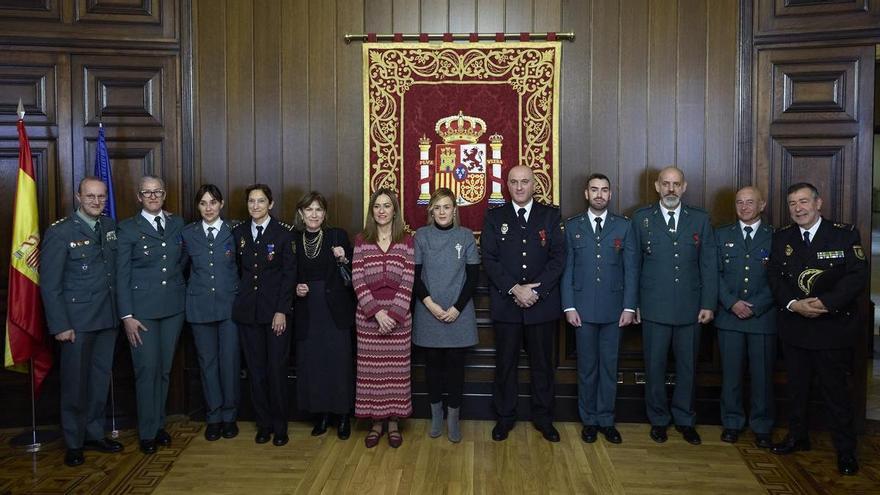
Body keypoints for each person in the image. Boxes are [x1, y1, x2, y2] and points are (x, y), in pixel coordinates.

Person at [766, 182, 867, 476]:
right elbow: (773, 275)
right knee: (796, 390)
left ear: (818, 203)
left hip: (831, 328)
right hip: (795, 326)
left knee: (836, 393)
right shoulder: (782, 237)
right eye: (793, 204)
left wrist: (825, 302)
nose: (798, 208)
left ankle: (845, 451)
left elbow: (856, 275)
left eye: (804, 202)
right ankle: (798, 437)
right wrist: (793, 304)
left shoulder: (843, 234)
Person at [631, 166, 717, 445]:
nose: (671, 189)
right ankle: (658, 419)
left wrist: (708, 303)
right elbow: (633, 265)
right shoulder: (642, 218)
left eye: (676, 184)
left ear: (684, 187)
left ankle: (685, 419)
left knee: (687, 368)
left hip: (691, 308)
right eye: (665, 184)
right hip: (654, 307)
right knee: (654, 368)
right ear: (657, 186)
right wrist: (634, 305)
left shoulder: (700, 219)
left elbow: (708, 265)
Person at [41, 177, 122, 467]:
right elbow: (50, 285)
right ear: (78, 197)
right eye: (90, 196)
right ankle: (74, 442)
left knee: (99, 381)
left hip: (107, 318)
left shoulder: (110, 227)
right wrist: (60, 325)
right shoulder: (61, 232)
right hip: (76, 322)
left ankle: (94, 433)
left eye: (101, 197)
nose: (97, 201)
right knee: (75, 384)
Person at [481, 165, 566, 443]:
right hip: (507, 305)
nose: (519, 187)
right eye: (514, 182)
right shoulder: (495, 217)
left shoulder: (550, 216)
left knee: (543, 366)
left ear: (534, 185)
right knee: (505, 364)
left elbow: (558, 258)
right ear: (507, 185)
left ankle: (544, 418)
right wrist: (515, 289)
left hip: (542, 306)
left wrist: (536, 292)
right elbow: (490, 259)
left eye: (525, 182)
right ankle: (504, 418)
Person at [560, 173, 637, 445]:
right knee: (587, 369)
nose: (599, 195)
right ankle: (589, 421)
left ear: (611, 194)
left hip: (615, 311)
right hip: (581, 310)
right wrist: (568, 305)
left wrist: (629, 306)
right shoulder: (572, 226)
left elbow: (631, 270)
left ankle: (606, 420)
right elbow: (566, 270)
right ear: (586, 193)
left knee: (609, 368)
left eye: (604, 190)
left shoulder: (623, 227)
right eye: (594, 190)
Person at [116, 175, 186, 454]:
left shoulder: (177, 223)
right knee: (147, 371)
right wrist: (126, 316)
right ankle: (147, 432)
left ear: (165, 194)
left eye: (158, 192)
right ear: (139, 197)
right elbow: (121, 276)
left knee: (165, 370)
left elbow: (182, 259)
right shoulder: (128, 229)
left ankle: (159, 426)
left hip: (173, 308)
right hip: (141, 312)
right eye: (147, 193)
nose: (153, 197)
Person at [413, 187, 480, 443]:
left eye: (447, 207)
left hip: (458, 314)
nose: (442, 212)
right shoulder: (421, 236)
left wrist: (456, 308)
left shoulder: (465, 236)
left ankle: (453, 418)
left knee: (455, 369)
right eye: (437, 207)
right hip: (428, 311)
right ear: (431, 210)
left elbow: (473, 278)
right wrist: (430, 305)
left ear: (455, 210)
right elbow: (416, 276)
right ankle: (436, 416)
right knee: (432, 369)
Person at [232, 184, 296, 447]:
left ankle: (280, 426)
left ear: (270, 204)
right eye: (251, 201)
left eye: (261, 201)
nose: (255, 206)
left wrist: (281, 310)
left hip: (275, 315)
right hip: (249, 314)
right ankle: (264, 424)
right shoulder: (239, 233)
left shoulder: (284, 234)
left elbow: (289, 275)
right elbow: (238, 271)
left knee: (276, 371)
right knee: (256, 372)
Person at [352, 188, 415, 448]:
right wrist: (377, 313)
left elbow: (408, 280)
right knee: (373, 375)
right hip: (369, 318)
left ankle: (393, 422)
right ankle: (375, 423)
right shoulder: (361, 240)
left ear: (394, 210)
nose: (381, 210)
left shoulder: (407, 240)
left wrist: (393, 315)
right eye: (377, 206)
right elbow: (357, 279)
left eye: (386, 206)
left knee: (396, 374)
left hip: (399, 319)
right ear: (371, 211)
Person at [714, 186, 775, 448]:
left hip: (763, 318)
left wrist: (755, 305)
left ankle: (762, 425)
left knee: (762, 377)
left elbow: (780, 278)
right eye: (740, 202)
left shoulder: (776, 237)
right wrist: (731, 303)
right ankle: (732, 422)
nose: (745, 207)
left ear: (762, 205)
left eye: (750, 202)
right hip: (729, 317)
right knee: (731, 376)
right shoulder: (720, 235)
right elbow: (712, 273)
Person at [293, 191, 355, 440]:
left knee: (338, 363)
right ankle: (321, 415)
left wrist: (344, 258)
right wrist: (295, 288)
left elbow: (353, 275)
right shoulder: (293, 239)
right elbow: (287, 273)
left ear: (325, 214)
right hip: (308, 309)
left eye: (319, 209)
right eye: (309, 210)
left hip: (335, 310)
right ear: (301, 213)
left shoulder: (337, 235)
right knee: (314, 364)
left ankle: (342, 416)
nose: (314, 214)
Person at [181, 184, 241, 442]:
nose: (208, 208)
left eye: (213, 202)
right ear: (198, 206)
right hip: (200, 308)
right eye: (203, 203)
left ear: (221, 204)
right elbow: (179, 269)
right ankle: (213, 416)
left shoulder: (234, 231)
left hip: (229, 308)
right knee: (208, 364)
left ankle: (230, 416)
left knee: (229, 363)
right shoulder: (188, 233)